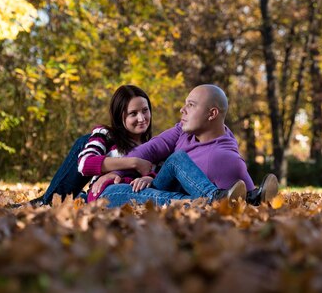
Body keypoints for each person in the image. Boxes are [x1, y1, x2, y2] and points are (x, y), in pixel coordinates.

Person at [92, 84, 279, 207]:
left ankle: (213, 200)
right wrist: (119, 171)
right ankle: (215, 198)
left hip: (162, 197)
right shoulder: (183, 130)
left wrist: (252, 198)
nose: (182, 110)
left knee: (111, 193)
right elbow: (147, 149)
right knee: (177, 159)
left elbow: (241, 189)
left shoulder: (224, 158)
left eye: (191, 105)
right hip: (157, 187)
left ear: (212, 114)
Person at [16, 85, 155, 206]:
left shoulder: (155, 145)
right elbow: (85, 164)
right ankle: (48, 201)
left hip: (127, 198)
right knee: (85, 140)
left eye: (145, 110)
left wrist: (148, 177)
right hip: (98, 196)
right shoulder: (105, 134)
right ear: (120, 116)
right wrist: (134, 163)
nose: (142, 118)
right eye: (133, 114)